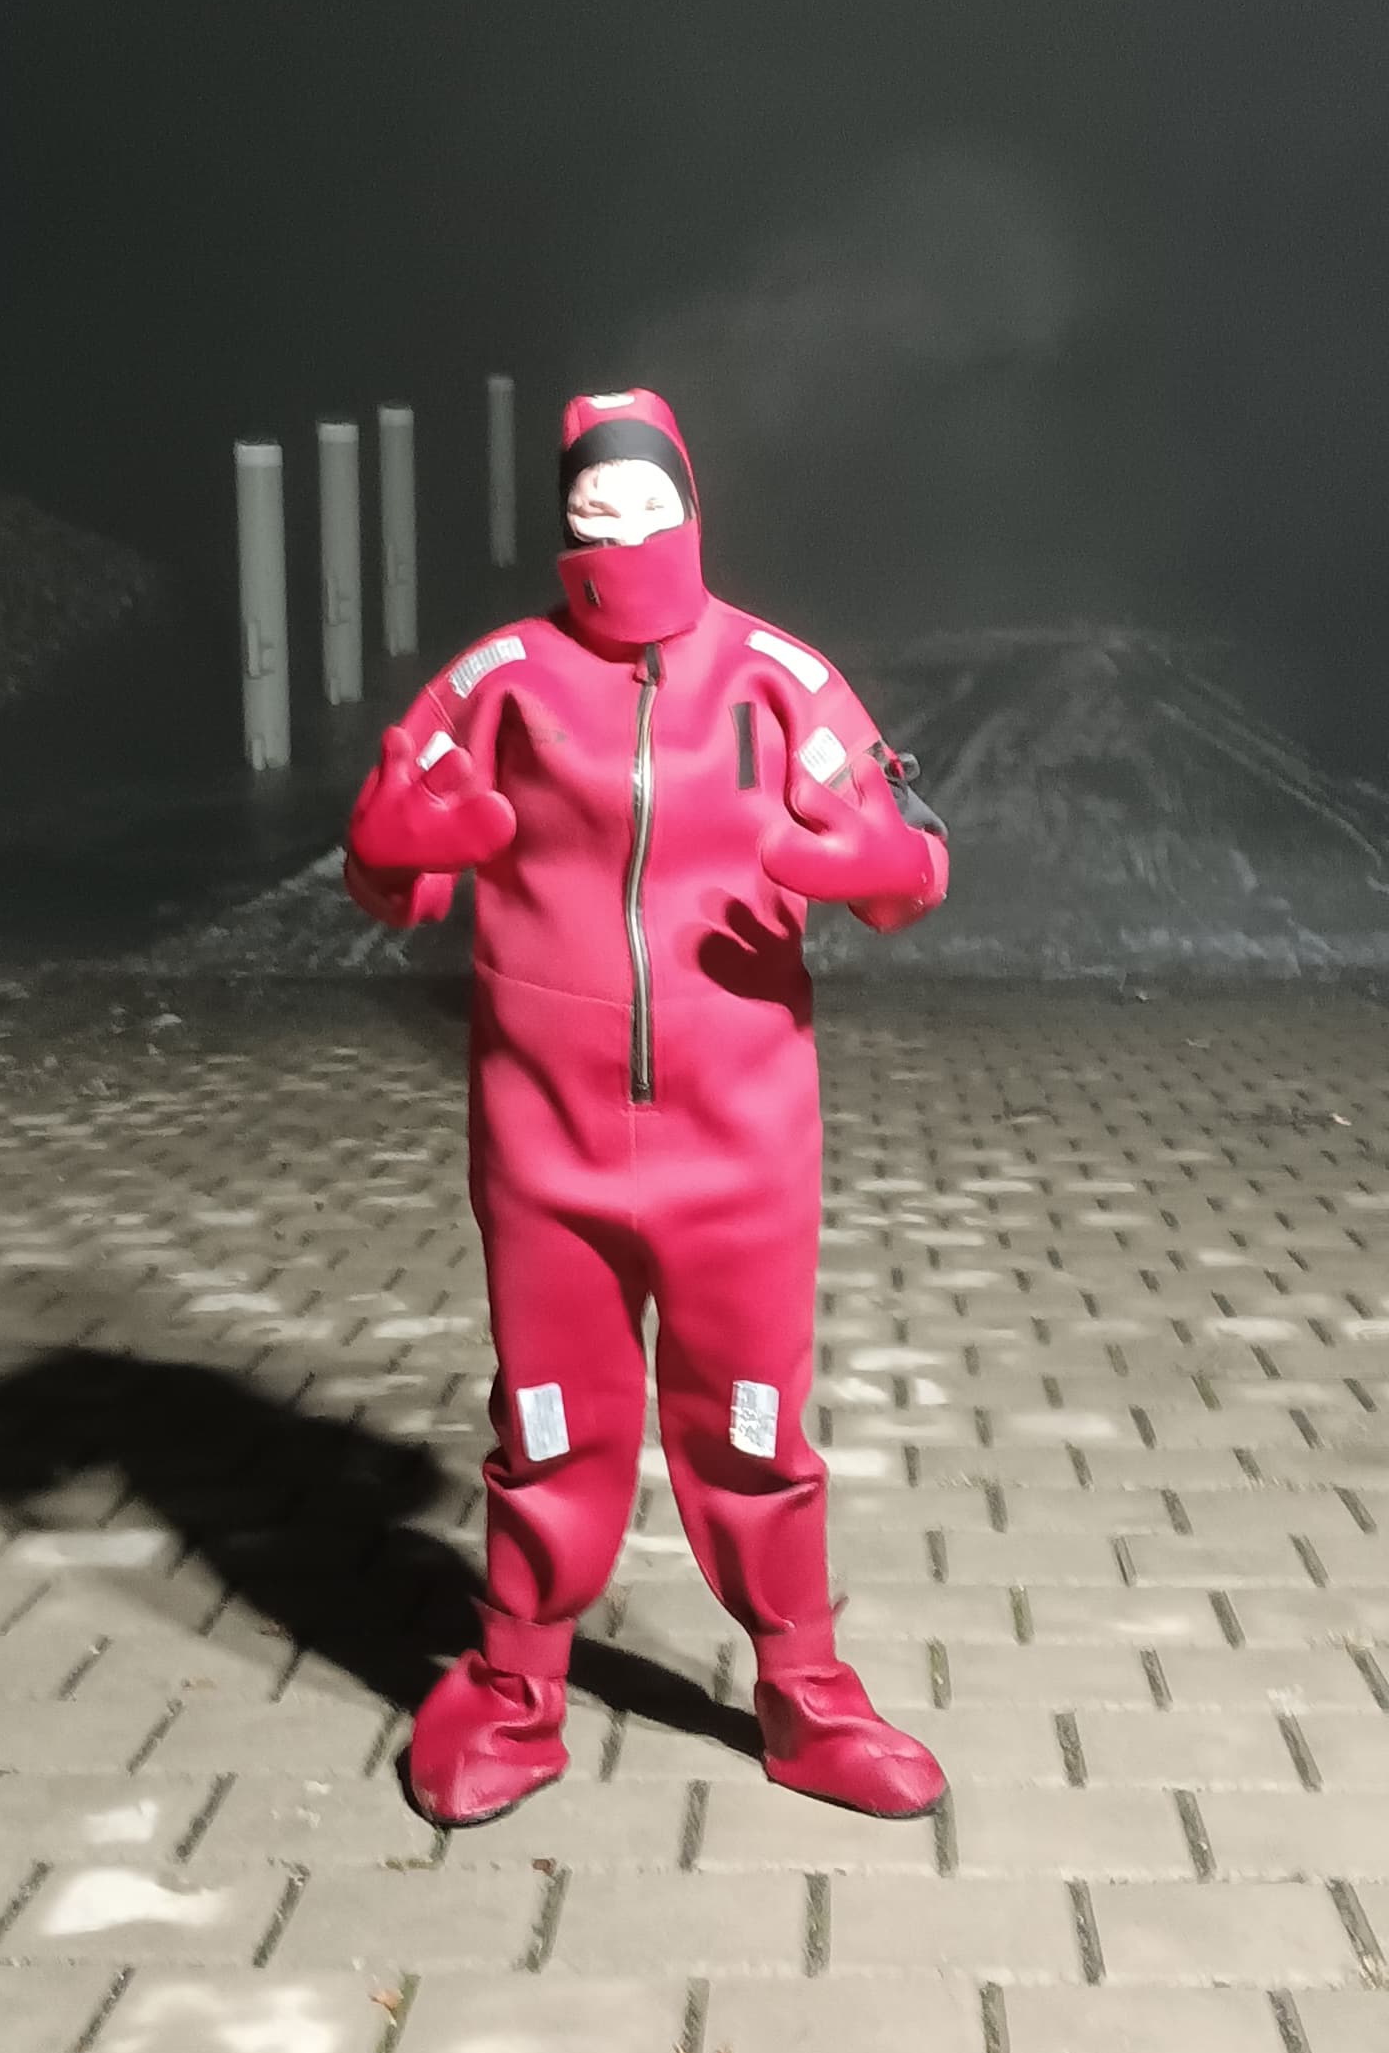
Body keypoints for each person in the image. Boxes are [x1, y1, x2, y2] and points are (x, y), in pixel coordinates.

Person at [344, 389, 951, 1824]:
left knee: (753, 1427)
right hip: (546, 1148)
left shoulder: (775, 676)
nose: (617, 530)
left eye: (643, 502)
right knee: (549, 1425)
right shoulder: (502, 676)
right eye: (588, 509)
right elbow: (395, 857)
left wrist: (889, 862)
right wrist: (386, 852)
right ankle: (512, 1690)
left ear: (690, 505)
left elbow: (911, 846)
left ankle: (805, 1692)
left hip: (740, 1146)